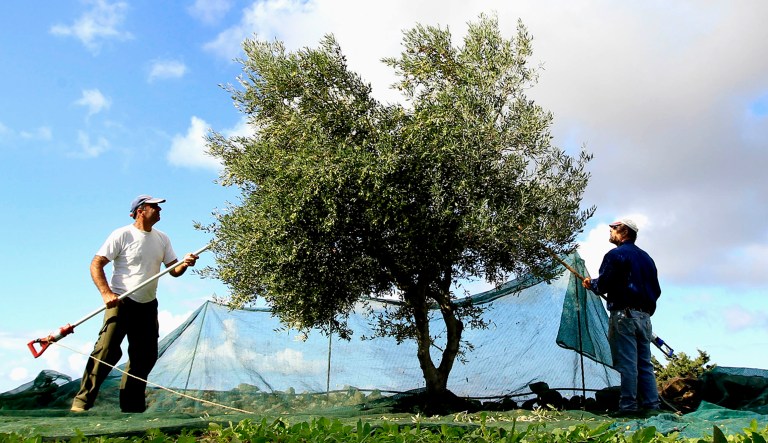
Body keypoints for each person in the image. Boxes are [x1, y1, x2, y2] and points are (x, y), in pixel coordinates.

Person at [71, 195, 199, 413]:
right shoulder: (122, 234)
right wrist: (106, 294)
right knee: (106, 352)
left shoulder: (162, 238)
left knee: (145, 357)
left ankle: (132, 408)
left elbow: (174, 270)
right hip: (121, 301)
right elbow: (96, 264)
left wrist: (186, 263)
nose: (159, 210)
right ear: (140, 211)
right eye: (154, 207)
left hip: (148, 305)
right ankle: (81, 403)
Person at [581, 218, 662, 415]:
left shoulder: (615, 255)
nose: (610, 232)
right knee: (645, 364)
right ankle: (652, 406)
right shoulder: (647, 258)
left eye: (613, 229)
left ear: (623, 232)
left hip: (624, 316)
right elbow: (656, 290)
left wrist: (592, 284)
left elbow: (604, 283)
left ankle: (628, 407)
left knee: (628, 364)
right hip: (645, 318)